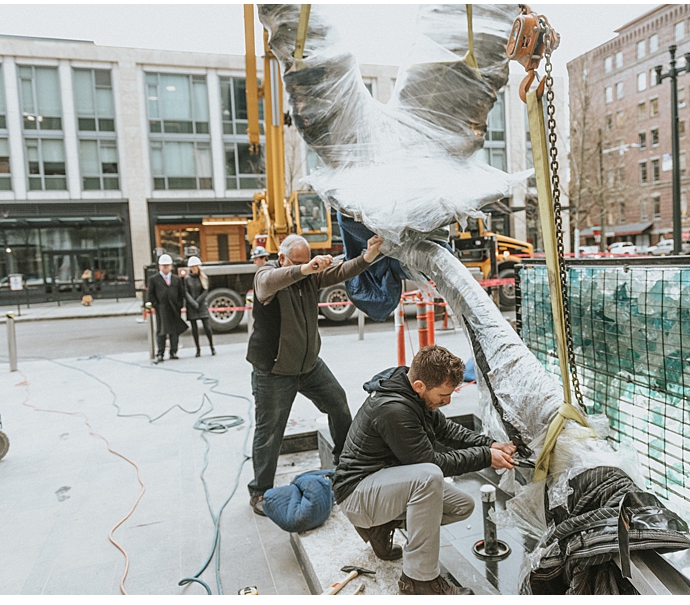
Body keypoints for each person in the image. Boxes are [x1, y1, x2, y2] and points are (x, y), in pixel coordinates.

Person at [333, 345, 513, 595]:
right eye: (443, 394)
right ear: (420, 385)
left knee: (462, 506)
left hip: (381, 484)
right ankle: (419, 581)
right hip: (356, 495)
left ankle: (381, 527)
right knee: (429, 477)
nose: (448, 401)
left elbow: (447, 430)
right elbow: (431, 463)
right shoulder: (393, 409)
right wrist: (485, 457)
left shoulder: (411, 391)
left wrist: (490, 444)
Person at [245, 234, 384, 514]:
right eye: (297, 262)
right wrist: (306, 268)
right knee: (270, 431)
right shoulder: (267, 276)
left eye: (306, 261)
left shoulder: (310, 277)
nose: (304, 267)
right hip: (274, 370)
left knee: (338, 402)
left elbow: (341, 271)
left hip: (309, 366)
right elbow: (267, 282)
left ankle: (345, 464)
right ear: (282, 259)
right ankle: (260, 491)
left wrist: (368, 257)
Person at [145, 254, 188, 363]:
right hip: (162, 309)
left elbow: (181, 293)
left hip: (174, 308)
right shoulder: (153, 279)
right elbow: (150, 295)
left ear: (171, 266)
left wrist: (179, 305)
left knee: (174, 332)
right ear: (159, 266)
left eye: (167, 265)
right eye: (163, 266)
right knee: (162, 331)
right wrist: (157, 305)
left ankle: (173, 352)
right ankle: (160, 353)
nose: (165, 267)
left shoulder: (176, 279)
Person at [182, 256, 216, 357]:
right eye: (192, 267)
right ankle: (198, 349)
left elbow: (205, 291)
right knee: (194, 329)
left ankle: (212, 347)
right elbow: (186, 292)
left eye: (196, 267)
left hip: (201, 305)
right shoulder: (187, 278)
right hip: (192, 306)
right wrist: (193, 303)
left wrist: (198, 302)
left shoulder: (203, 277)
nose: (194, 269)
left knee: (207, 327)